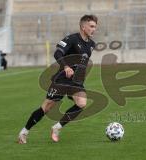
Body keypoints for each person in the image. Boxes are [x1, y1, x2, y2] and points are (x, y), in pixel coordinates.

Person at [18, 14, 98, 144]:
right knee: (46, 107)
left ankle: (57, 127)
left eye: (95, 27)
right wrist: (66, 66)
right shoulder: (71, 39)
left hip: (76, 82)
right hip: (62, 79)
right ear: (83, 27)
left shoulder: (91, 44)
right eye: (91, 26)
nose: (94, 29)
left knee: (82, 103)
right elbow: (57, 53)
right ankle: (24, 132)